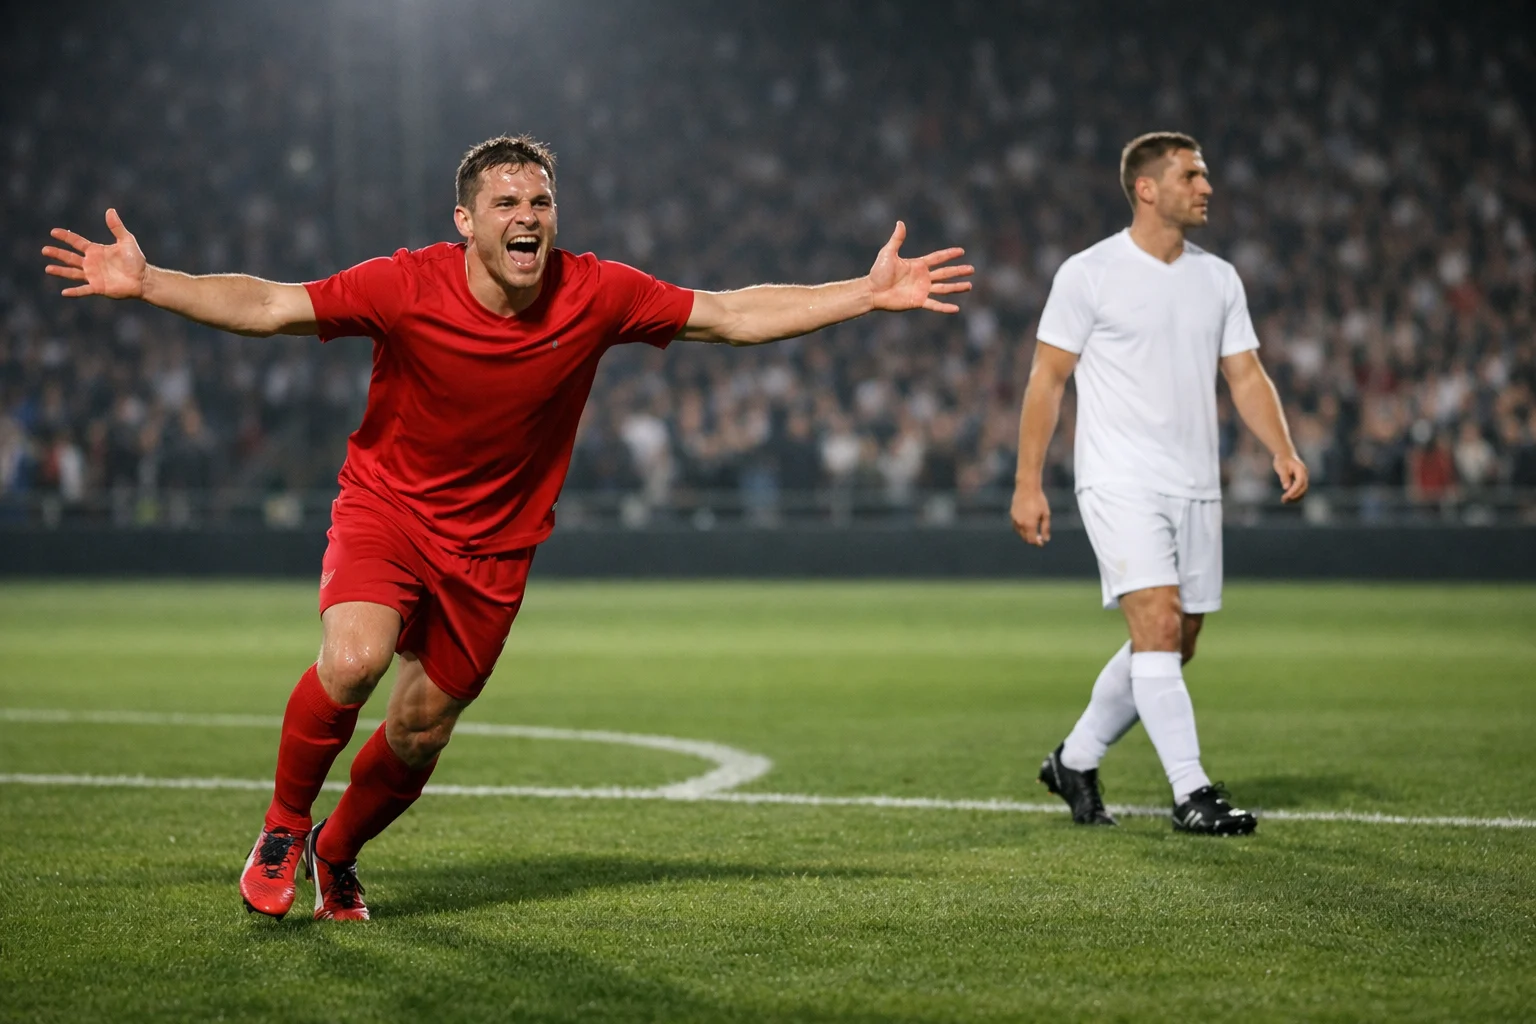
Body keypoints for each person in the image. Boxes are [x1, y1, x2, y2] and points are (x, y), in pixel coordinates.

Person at [43, 134, 972, 919]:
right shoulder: (405, 285)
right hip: (390, 509)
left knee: (421, 729)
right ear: (467, 221)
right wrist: (153, 281)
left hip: (495, 549)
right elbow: (276, 303)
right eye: (505, 202)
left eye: (540, 199)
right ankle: (284, 828)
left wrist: (862, 292)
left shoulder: (596, 291)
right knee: (356, 659)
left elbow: (727, 315)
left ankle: (338, 851)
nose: (527, 216)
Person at [1009, 132, 1306, 836]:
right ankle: (1191, 792)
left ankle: (1074, 760)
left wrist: (1282, 447)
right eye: (1192, 175)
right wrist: (1028, 482)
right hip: (1118, 480)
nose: (1207, 187)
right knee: (1158, 627)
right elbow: (1046, 380)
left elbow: (1244, 375)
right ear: (1147, 188)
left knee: (1178, 640)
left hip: (1196, 483)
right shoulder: (1090, 273)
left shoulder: (1218, 278)